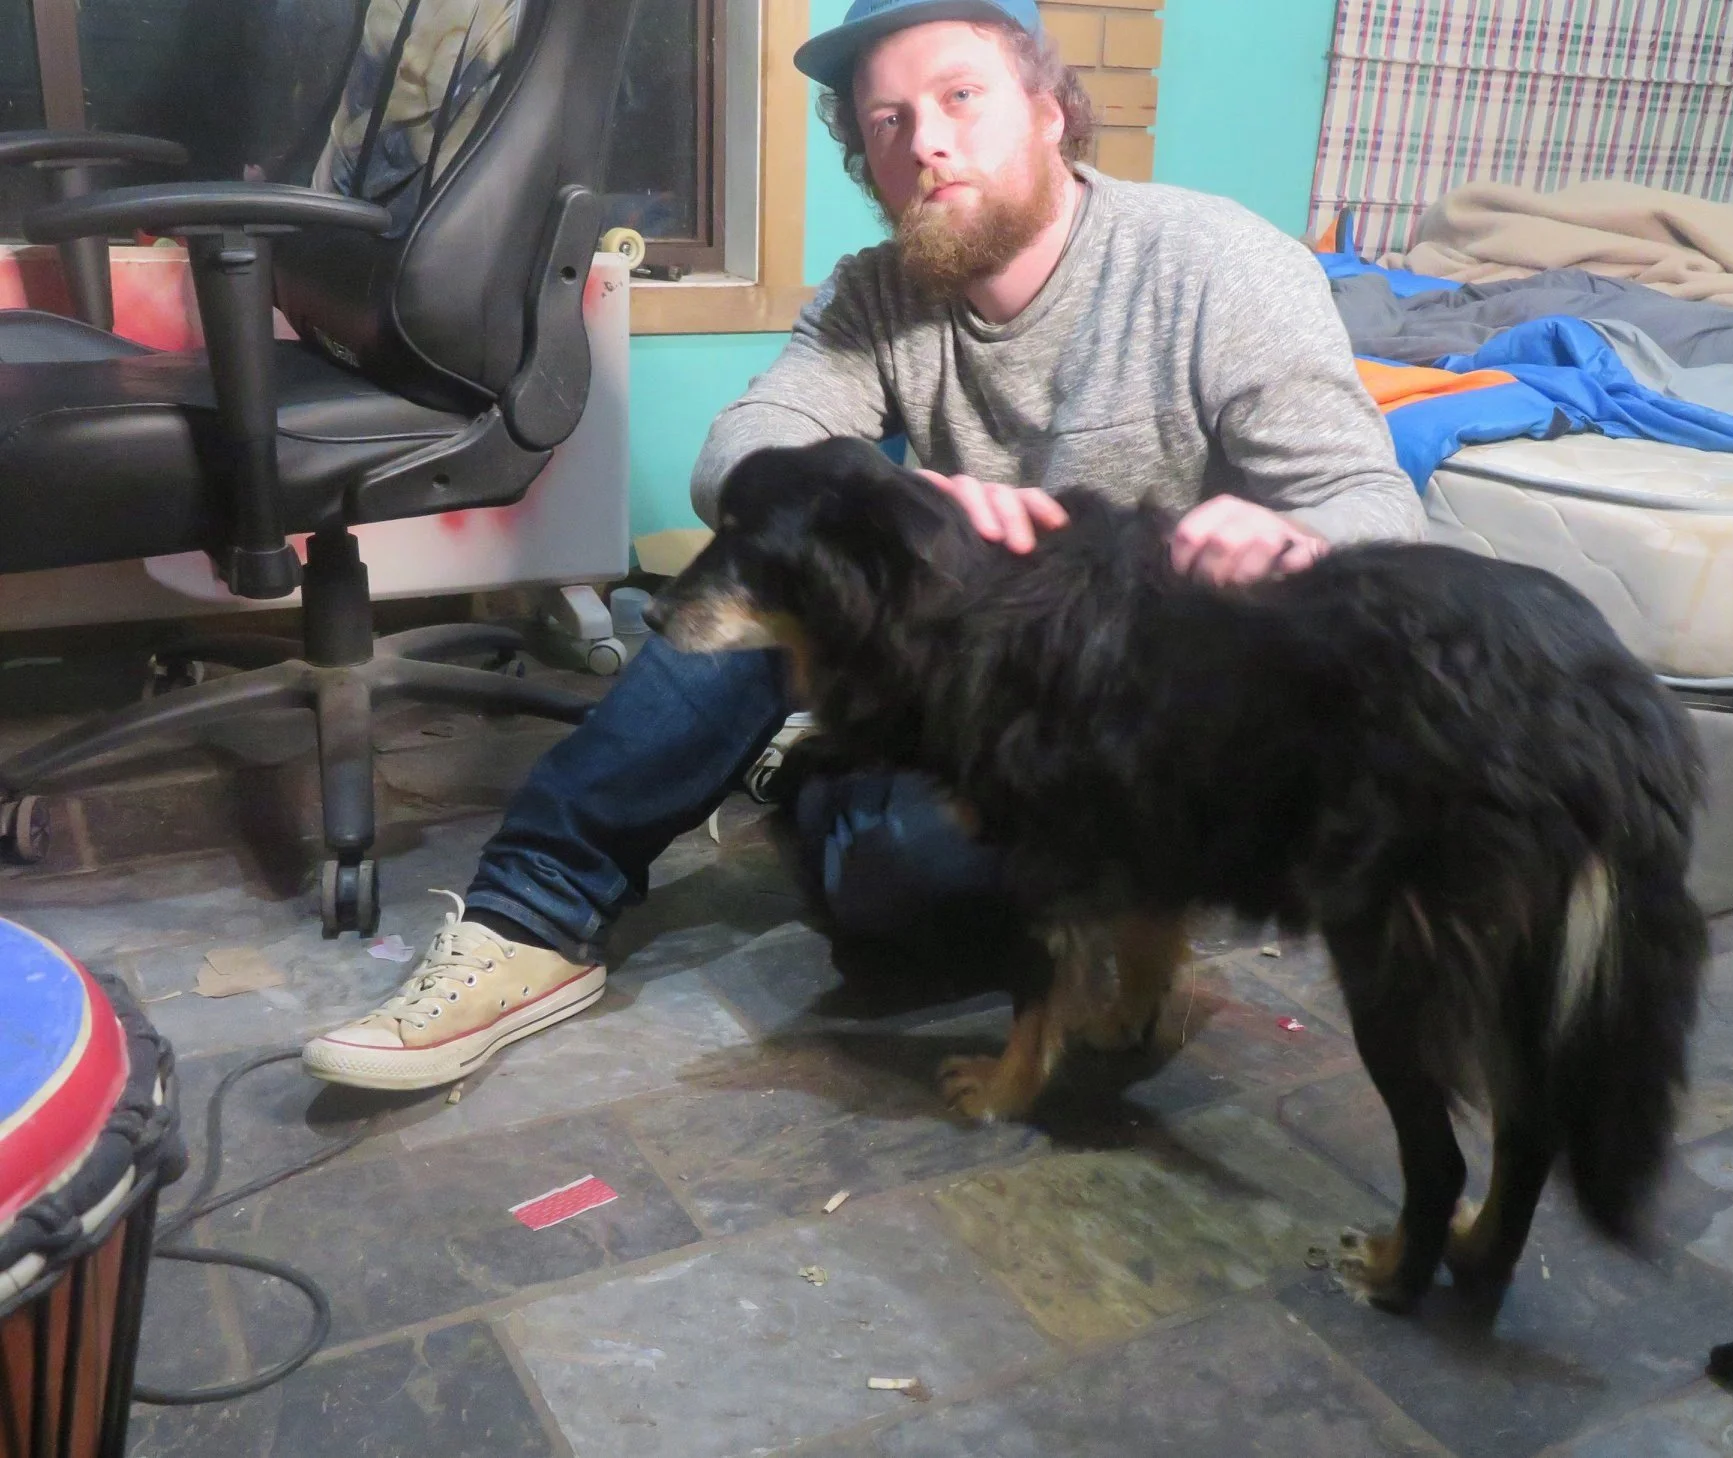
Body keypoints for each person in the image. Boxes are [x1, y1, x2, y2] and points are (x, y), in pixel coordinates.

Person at [301, 0, 1423, 1091]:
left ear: (1049, 110)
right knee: (776, 550)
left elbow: (1378, 509)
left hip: (1131, 725)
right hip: (973, 681)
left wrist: (1279, 541)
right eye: (887, 122)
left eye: (961, 95)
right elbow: (741, 451)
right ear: (864, 158)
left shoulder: (1218, 265)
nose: (926, 139)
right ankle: (528, 919)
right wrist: (886, 503)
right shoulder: (875, 296)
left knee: (883, 884)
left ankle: (906, 818)